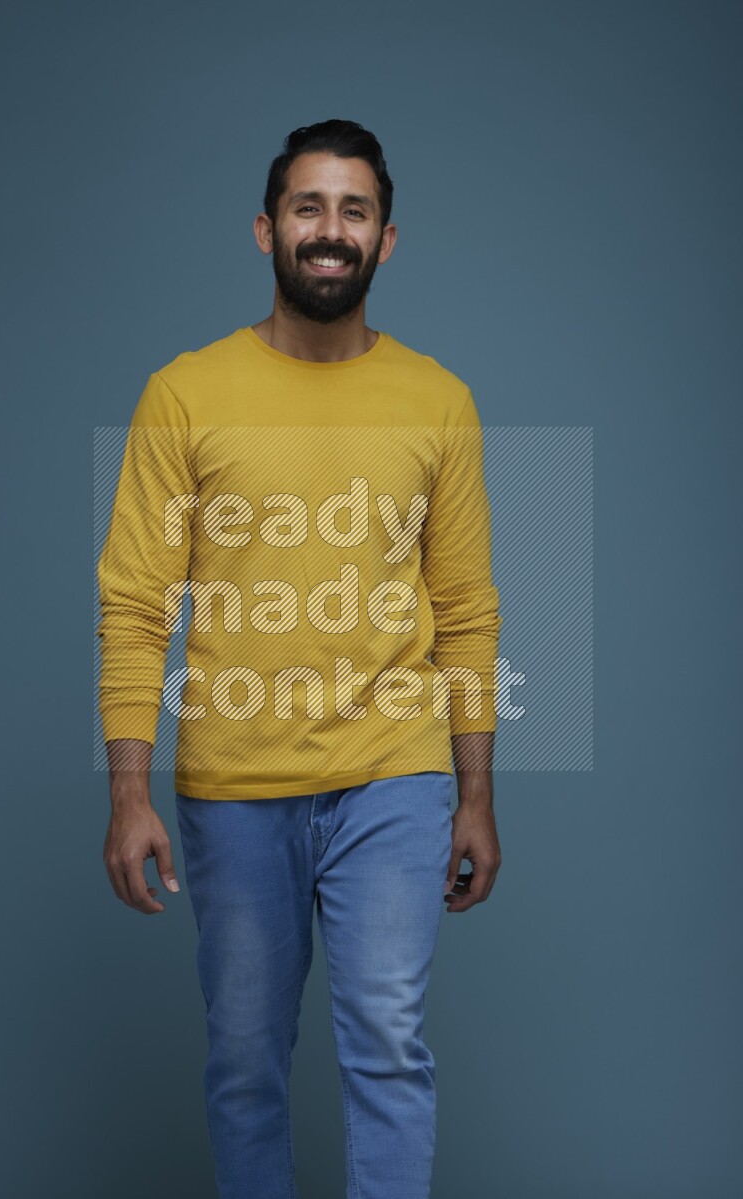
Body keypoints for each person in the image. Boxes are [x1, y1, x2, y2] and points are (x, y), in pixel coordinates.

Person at [96, 118, 503, 1199]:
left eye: (353, 210)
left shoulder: (438, 403)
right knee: (243, 1064)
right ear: (267, 228)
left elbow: (464, 610)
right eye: (309, 207)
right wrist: (128, 790)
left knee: (387, 1048)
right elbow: (136, 604)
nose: (330, 230)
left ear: (386, 239)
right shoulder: (183, 394)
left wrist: (473, 792)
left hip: (394, 776)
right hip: (233, 787)